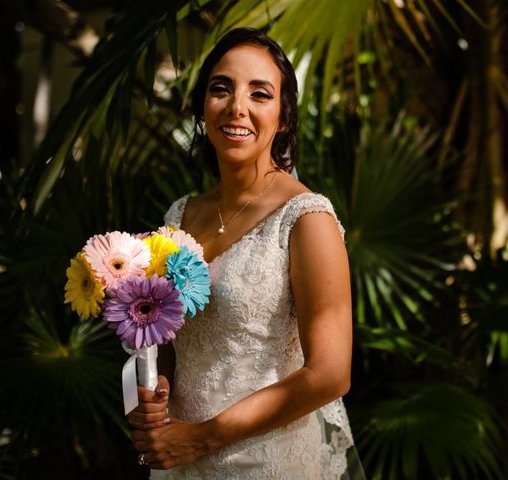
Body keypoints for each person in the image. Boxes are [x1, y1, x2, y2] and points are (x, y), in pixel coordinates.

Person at [128, 27, 359, 479]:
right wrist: (153, 390)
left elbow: (331, 374)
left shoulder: (307, 219)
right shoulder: (179, 215)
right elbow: (173, 344)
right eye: (221, 89)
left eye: (260, 94)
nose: (237, 108)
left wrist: (204, 436)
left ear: (284, 117)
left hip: (266, 462)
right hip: (180, 458)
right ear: (201, 107)